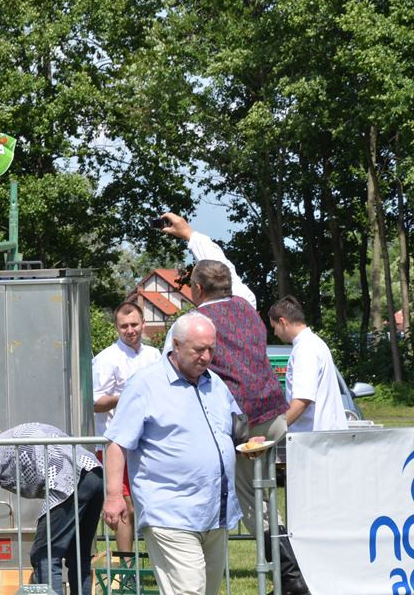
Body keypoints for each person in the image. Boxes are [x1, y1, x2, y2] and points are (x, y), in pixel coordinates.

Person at [159, 214, 308, 594]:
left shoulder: (191, 327)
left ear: (196, 289)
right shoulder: (246, 302)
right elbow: (223, 265)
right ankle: (289, 575)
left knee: (252, 502)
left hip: (242, 426)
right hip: (274, 415)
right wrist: (191, 234)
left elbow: (166, 376)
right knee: (265, 498)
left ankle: (291, 580)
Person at [103, 314, 241, 595]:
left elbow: (234, 426)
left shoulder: (215, 383)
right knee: (190, 591)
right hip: (169, 512)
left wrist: (249, 442)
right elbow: (117, 443)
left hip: (214, 512)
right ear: (176, 345)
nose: (206, 357)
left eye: (211, 349)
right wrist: (114, 496)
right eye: (199, 349)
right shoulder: (145, 384)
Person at [0, 423, 103, 595]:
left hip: (67, 480)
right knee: (79, 555)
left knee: (44, 554)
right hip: (95, 473)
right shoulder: (12, 439)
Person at [91, 301, 160, 555]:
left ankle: (154, 559)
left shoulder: (154, 356)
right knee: (125, 506)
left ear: (143, 324)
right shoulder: (106, 359)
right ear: (116, 328)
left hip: (148, 441)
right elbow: (95, 402)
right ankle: (126, 565)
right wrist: (127, 397)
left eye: (134, 324)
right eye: (124, 326)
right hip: (117, 444)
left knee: (151, 503)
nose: (130, 330)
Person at [269, 296, 348, 432]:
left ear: (282, 322)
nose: (275, 333)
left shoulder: (305, 349)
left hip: (316, 439)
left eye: (274, 327)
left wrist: (274, 431)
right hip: (323, 437)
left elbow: (301, 401)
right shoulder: (313, 343)